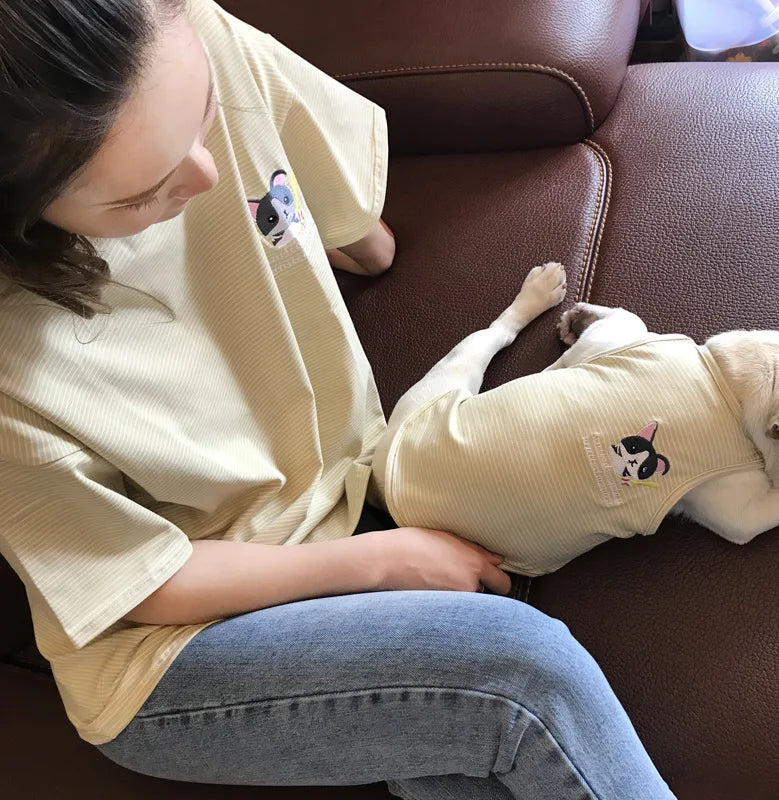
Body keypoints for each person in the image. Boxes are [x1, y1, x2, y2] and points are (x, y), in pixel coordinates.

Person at [0, 1, 677, 797]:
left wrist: (357, 238)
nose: (208, 175)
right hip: (172, 653)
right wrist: (380, 561)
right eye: (141, 196)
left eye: (206, 113)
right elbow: (145, 585)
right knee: (523, 674)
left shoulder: (202, 36)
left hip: (348, 495)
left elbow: (356, 229)